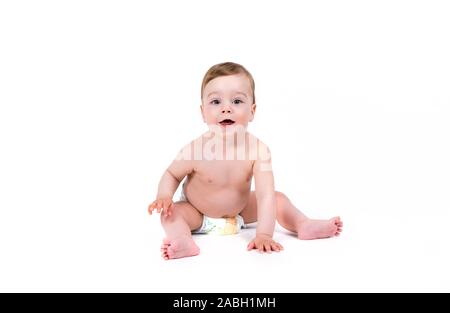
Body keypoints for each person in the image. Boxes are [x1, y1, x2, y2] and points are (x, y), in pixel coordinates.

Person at [148, 62, 343, 260]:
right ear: (203, 112)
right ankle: (183, 241)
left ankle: (303, 224)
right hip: (197, 214)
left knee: (278, 199)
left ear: (252, 111)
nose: (226, 109)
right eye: (216, 102)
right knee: (171, 214)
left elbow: (265, 195)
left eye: (237, 101)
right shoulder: (195, 150)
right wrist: (164, 195)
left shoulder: (258, 150)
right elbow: (172, 174)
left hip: (239, 212)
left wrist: (264, 234)